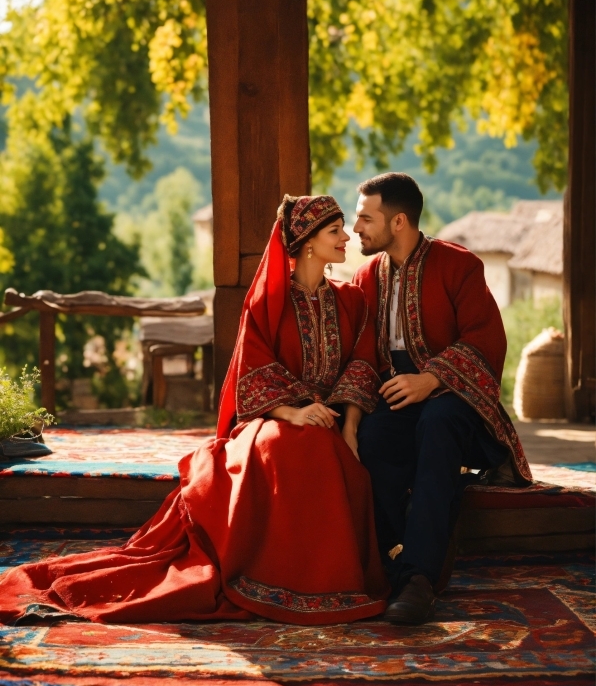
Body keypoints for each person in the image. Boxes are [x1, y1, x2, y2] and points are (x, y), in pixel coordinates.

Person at [0, 195, 389, 626]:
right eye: (335, 231)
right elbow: (254, 367)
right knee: (291, 448)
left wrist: (350, 424)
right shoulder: (269, 302)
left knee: (330, 451)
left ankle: (325, 580)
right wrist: (293, 413)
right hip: (274, 418)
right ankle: (277, 579)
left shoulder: (351, 301)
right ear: (308, 242)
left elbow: (363, 361)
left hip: (330, 418)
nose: (347, 237)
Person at [349, 173, 531, 626]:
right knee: (373, 437)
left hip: (454, 400)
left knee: (439, 424)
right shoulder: (367, 276)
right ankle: (391, 564)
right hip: (399, 402)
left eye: (365, 219)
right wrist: (350, 419)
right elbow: (362, 357)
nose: (356, 229)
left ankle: (419, 579)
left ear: (399, 222)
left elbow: (486, 342)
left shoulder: (459, 265)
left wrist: (431, 379)